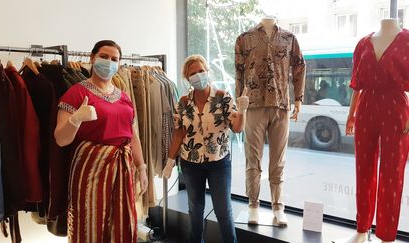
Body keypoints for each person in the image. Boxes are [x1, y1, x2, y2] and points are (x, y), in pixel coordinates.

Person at [54, 40, 148, 243]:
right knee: (90, 221)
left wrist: (141, 167)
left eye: (114, 59)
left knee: (122, 220)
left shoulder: (123, 97)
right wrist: (75, 118)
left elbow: (132, 136)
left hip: (122, 169)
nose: (109, 62)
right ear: (92, 58)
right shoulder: (77, 93)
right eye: (104, 56)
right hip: (91, 170)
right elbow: (60, 139)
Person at [162, 54, 249, 243]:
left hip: (219, 162)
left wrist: (242, 111)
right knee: (195, 210)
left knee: (223, 211)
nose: (198, 75)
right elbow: (179, 133)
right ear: (187, 79)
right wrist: (170, 161)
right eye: (193, 73)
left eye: (201, 71)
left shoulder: (222, 97)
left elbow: (237, 128)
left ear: (207, 71)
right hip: (190, 163)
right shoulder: (184, 102)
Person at [235, 16, 306, 225]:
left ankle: (278, 207)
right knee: (253, 159)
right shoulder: (244, 38)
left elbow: (300, 67)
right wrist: (240, 103)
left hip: (280, 105)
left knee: (278, 161)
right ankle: (253, 205)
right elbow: (238, 72)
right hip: (253, 105)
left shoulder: (289, 38)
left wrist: (299, 99)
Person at [345, 19, 409, 243]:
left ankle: (387, 235)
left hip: (396, 107)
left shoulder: (408, 41)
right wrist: (350, 114)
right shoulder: (363, 43)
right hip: (366, 105)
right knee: (363, 168)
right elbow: (357, 84)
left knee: (392, 173)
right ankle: (362, 228)